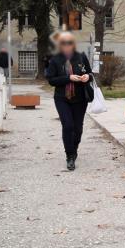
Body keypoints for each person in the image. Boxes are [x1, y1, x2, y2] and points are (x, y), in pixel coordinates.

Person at [45, 31, 92, 171]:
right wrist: (68, 78)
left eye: (70, 42)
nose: (67, 45)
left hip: (80, 98)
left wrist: (87, 77)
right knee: (68, 126)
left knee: (78, 128)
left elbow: (90, 73)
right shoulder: (55, 59)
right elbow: (51, 80)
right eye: (64, 43)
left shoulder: (81, 56)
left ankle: (74, 148)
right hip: (62, 99)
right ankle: (70, 156)